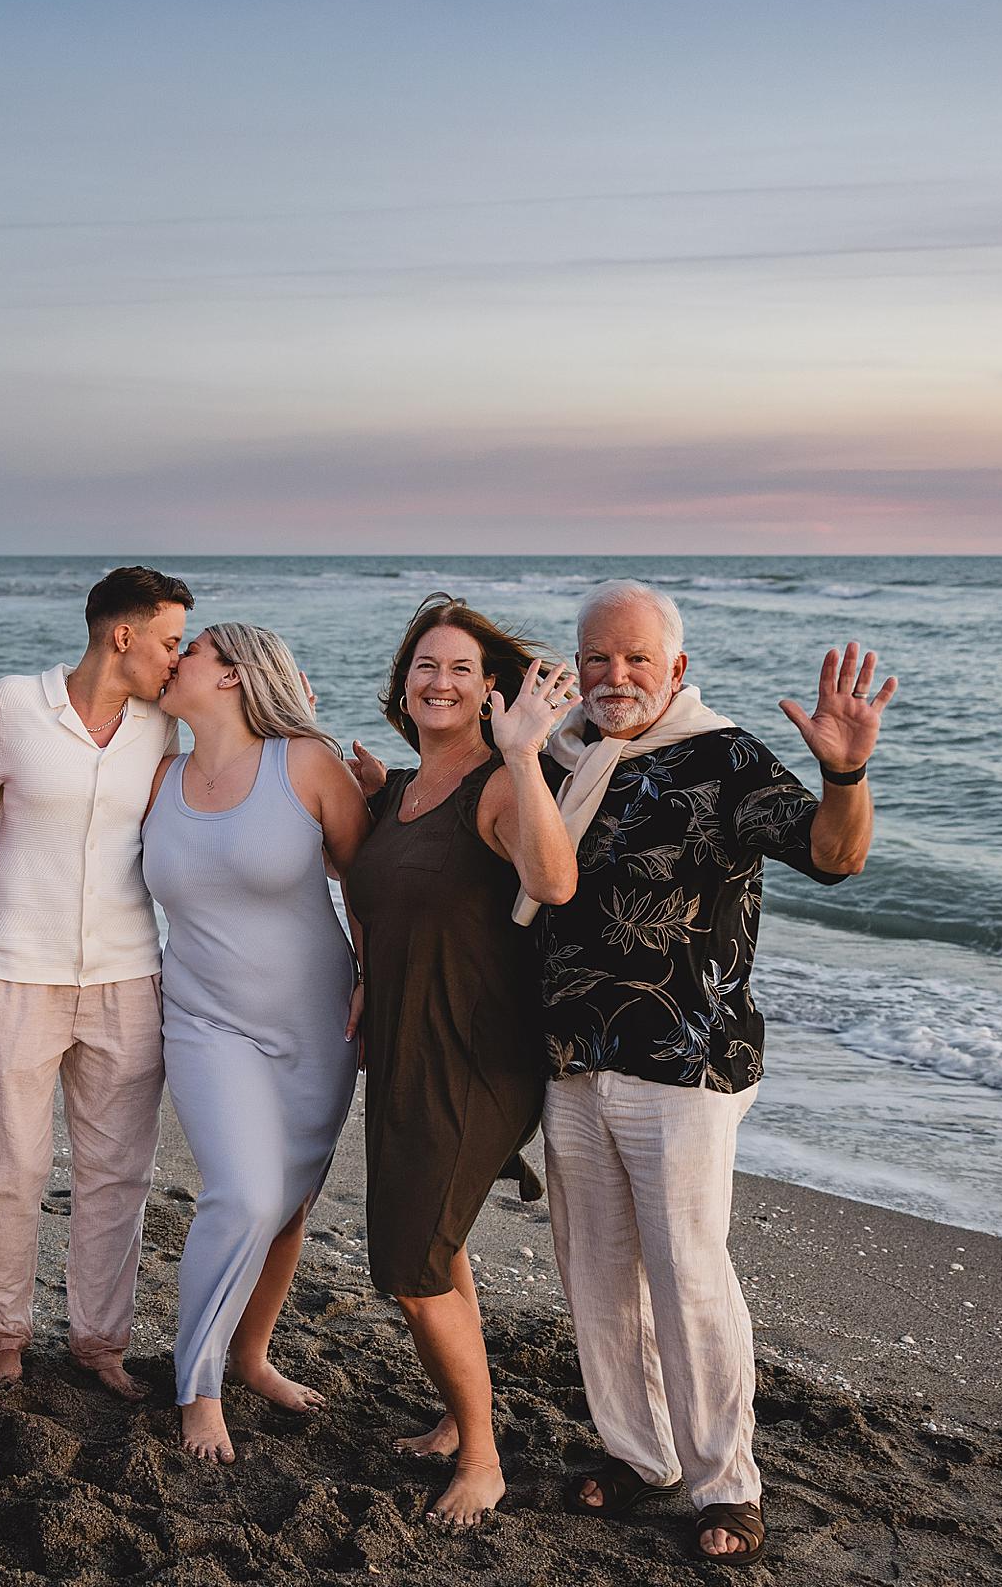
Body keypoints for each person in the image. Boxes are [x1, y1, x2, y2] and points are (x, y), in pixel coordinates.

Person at [532, 580, 893, 1566]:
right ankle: (639, 1453)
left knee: (689, 1275)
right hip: (572, 1057)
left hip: (686, 1062)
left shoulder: (725, 758)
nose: (615, 675)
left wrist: (847, 774)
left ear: (677, 668)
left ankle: (724, 1484)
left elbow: (834, 857)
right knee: (598, 1272)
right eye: (597, 657)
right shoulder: (557, 753)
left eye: (636, 658)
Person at [339, 593, 578, 1526]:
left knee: (408, 1260)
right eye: (426, 666)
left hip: (476, 1054)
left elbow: (553, 881)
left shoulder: (499, 782)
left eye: (461, 670)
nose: (440, 682)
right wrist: (363, 971)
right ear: (404, 683)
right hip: (402, 1040)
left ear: (490, 692)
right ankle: (453, 1413)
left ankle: (482, 1456)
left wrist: (524, 753)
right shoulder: (397, 789)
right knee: (438, 1241)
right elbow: (374, 893)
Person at [0, 566, 194, 1398]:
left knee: (117, 1172)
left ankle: (100, 1343)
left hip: (130, 971)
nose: (178, 657)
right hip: (18, 969)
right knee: (8, 1165)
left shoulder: (161, 725)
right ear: (120, 635)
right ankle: (3, 1333)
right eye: (169, 640)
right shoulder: (13, 705)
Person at [142, 624, 369, 1464]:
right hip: (204, 1020)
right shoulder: (158, 775)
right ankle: (198, 1386)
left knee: (286, 1207)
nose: (175, 661)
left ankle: (250, 1353)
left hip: (316, 1025)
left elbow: (369, 879)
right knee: (240, 1194)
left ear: (232, 674)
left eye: (189, 651)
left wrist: (375, 978)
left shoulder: (305, 764)